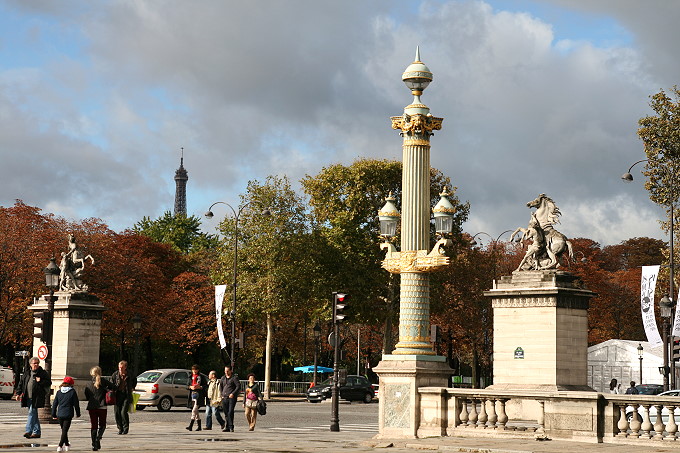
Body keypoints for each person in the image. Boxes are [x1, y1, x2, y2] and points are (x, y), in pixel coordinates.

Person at [14, 356, 51, 439]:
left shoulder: (42, 373)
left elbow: (48, 382)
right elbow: (21, 383)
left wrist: (40, 380)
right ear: (30, 364)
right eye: (34, 363)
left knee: (32, 413)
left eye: (37, 363)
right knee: (34, 414)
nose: (36, 365)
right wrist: (18, 393)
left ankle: (28, 431)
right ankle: (37, 432)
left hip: (37, 397)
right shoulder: (27, 373)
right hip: (28, 397)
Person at [84, 366, 114, 451]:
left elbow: (87, 395)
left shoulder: (88, 384)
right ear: (100, 372)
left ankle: (94, 444)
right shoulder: (104, 381)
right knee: (102, 425)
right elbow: (113, 387)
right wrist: (106, 389)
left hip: (92, 406)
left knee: (93, 426)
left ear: (92, 373)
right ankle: (98, 437)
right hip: (102, 406)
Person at [51, 376, 81, 452]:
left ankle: (67, 444)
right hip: (68, 413)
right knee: (65, 431)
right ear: (71, 384)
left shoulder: (59, 392)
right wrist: (78, 413)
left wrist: (53, 414)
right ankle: (60, 445)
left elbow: (55, 404)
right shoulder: (72, 392)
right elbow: (76, 404)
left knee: (64, 430)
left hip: (60, 413)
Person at [111, 360, 137, 435]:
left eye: (121, 368)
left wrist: (133, 387)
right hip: (117, 394)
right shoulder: (115, 374)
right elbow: (112, 383)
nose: (120, 369)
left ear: (125, 367)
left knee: (123, 412)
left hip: (126, 395)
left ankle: (126, 428)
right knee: (117, 412)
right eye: (119, 367)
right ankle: (120, 428)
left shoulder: (129, 374)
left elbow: (135, 380)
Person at [186, 364, 208, 431]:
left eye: (195, 370)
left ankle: (191, 425)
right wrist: (190, 387)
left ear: (198, 370)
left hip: (199, 395)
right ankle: (199, 426)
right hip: (192, 394)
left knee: (194, 410)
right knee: (196, 411)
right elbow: (187, 385)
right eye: (193, 370)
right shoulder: (190, 377)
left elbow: (205, 385)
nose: (194, 371)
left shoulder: (201, 377)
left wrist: (200, 387)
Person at [219, 365, 241, 432]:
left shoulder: (234, 378)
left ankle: (231, 426)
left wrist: (233, 393)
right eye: (225, 371)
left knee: (230, 412)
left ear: (231, 371)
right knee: (226, 412)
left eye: (227, 371)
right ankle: (227, 427)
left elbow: (238, 386)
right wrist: (222, 394)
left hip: (231, 398)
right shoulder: (223, 378)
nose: (226, 372)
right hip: (224, 397)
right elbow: (220, 386)